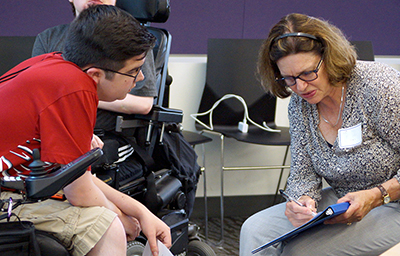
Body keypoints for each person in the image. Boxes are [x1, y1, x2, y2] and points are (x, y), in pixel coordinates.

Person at [0, 5, 170, 256]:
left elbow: (77, 178)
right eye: (133, 71)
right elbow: (80, 193)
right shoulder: (75, 90)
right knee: (107, 228)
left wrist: (140, 212)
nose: (142, 78)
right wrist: (121, 218)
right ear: (96, 75)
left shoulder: (56, 65)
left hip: (16, 185)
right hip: (8, 196)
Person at [240, 13, 400, 256]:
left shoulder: (378, 87)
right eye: (289, 78)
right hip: (342, 201)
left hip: (393, 203)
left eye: (307, 73)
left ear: (330, 59)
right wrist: (302, 200)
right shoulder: (300, 106)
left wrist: (377, 196)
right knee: (254, 230)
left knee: (300, 251)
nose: (300, 87)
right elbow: (303, 170)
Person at [32, 0, 158, 182]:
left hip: (105, 136)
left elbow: (144, 104)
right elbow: (39, 95)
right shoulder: (49, 38)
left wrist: (79, 98)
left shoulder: (132, 41)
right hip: (53, 131)